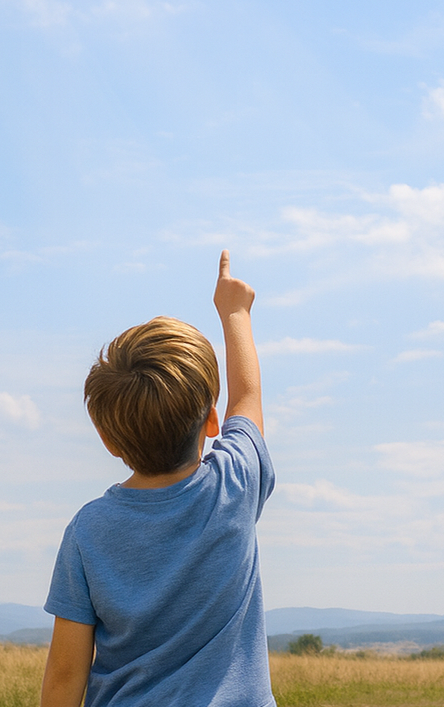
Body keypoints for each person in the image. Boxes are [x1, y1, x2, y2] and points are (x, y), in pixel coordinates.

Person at [41, 250, 275, 707]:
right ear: (212, 421)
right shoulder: (234, 486)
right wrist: (235, 313)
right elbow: (246, 399)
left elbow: (66, 674)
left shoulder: (87, 531)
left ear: (108, 439)